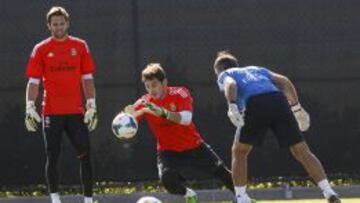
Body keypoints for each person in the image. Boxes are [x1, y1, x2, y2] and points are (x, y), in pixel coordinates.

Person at [212, 50, 341, 203]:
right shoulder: (256, 69)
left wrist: (231, 105)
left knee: (239, 151)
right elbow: (285, 82)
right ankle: (329, 192)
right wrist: (296, 107)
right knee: (302, 151)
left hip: (255, 104)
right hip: (279, 100)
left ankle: (241, 198)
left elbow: (231, 84)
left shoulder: (225, 74)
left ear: (218, 70)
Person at [123, 63, 235, 203]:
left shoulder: (180, 93)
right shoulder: (144, 102)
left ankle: (244, 198)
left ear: (164, 82)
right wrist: (126, 117)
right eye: (147, 86)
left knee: (222, 173)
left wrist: (162, 113)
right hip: (168, 151)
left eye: (154, 84)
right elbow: (128, 121)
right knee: (167, 181)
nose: (151, 90)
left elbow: (187, 119)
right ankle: (189, 195)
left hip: (194, 145)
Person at [24, 6, 98, 203]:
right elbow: (33, 81)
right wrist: (29, 106)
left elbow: (87, 77)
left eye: (62, 23)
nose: (58, 27)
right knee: (53, 157)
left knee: (85, 155)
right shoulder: (40, 49)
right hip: (51, 112)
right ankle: (55, 200)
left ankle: (89, 200)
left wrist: (92, 104)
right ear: (49, 25)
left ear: (68, 23)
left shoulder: (81, 46)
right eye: (54, 24)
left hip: (76, 112)